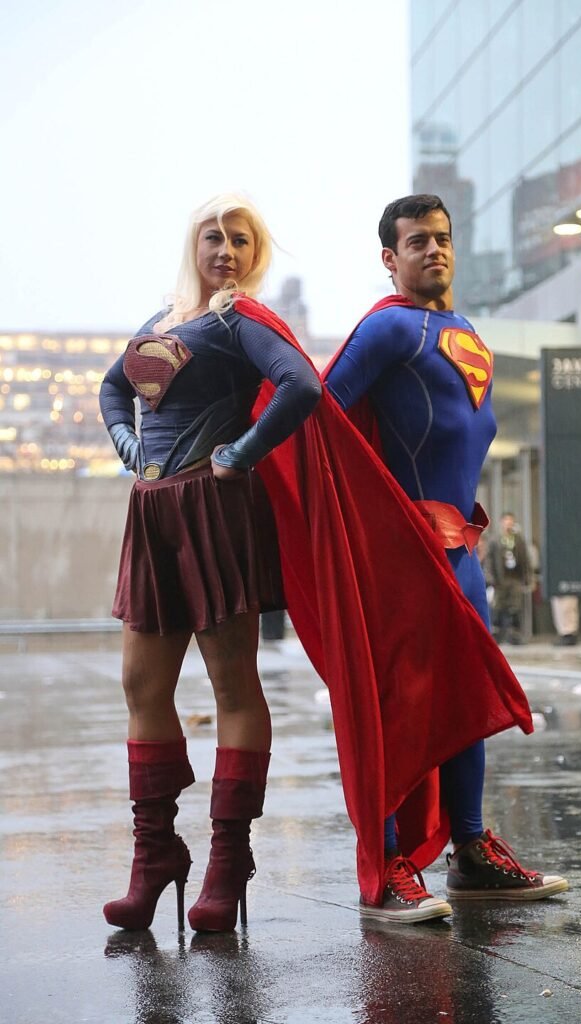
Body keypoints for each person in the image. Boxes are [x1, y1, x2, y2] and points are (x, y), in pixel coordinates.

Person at [323, 193, 568, 921]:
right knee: (397, 709)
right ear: (389, 258)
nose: (434, 249)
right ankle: (385, 866)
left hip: (462, 552)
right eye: (417, 241)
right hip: (407, 561)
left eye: (442, 237)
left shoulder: (463, 332)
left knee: (467, 700)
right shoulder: (388, 329)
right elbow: (323, 419)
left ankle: (470, 850)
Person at [99, 192, 322, 933]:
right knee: (141, 685)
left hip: (213, 509)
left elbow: (302, 385)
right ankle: (155, 855)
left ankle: (229, 859)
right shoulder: (162, 318)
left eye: (240, 240)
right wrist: (127, 444)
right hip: (152, 509)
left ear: (254, 255)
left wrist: (243, 452)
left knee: (232, 683)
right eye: (213, 236)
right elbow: (113, 386)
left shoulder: (238, 321)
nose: (226, 250)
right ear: (192, 246)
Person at [487, 512, 532, 645]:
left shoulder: (518, 540)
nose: (509, 524)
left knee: (515, 606)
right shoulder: (495, 540)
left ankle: (514, 634)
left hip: (515, 577)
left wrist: (527, 576)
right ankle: (496, 633)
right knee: (498, 606)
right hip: (500, 578)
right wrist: (490, 577)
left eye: (511, 521)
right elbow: (490, 559)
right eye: (506, 521)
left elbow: (524, 558)